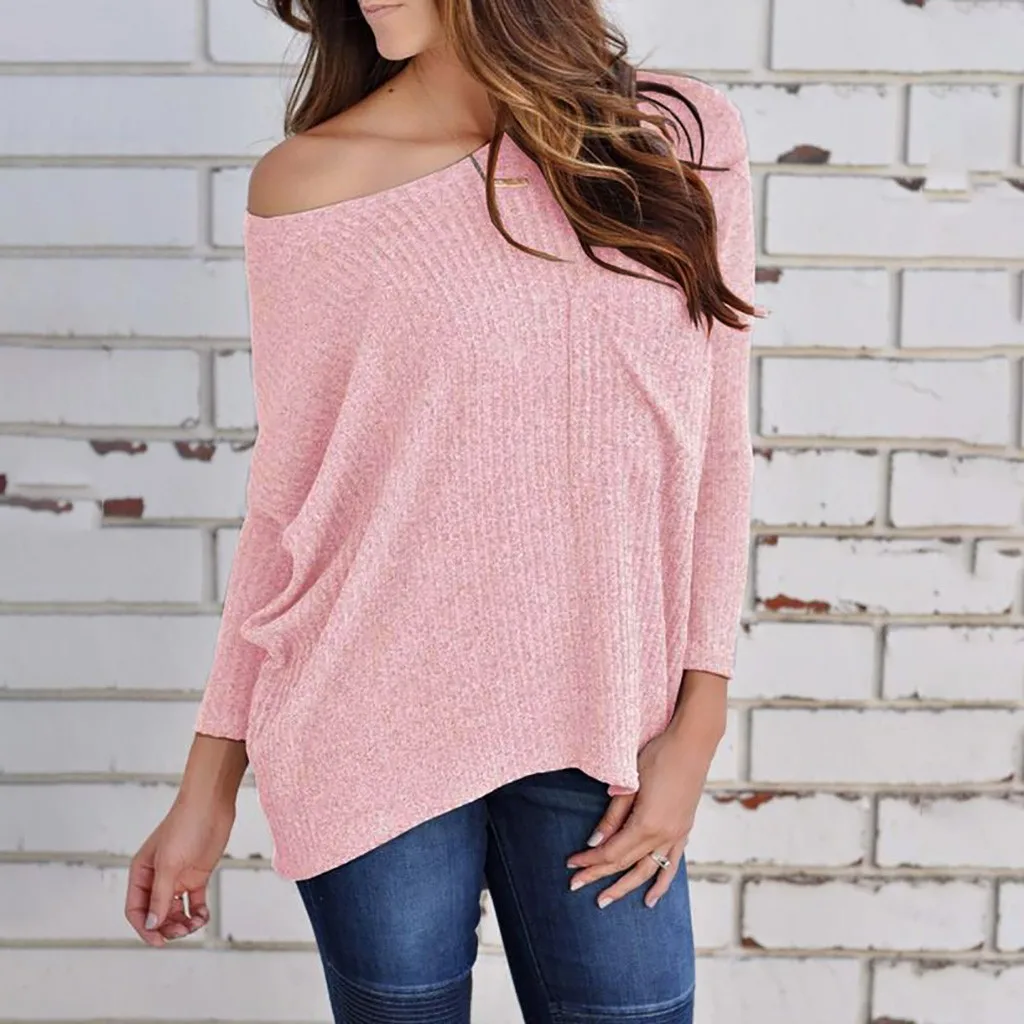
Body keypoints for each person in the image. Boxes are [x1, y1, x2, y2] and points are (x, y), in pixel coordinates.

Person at [124, 1, 756, 1020]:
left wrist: (700, 718)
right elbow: (290, 502)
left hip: (600, 719)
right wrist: (208, 787)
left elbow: (716, 444)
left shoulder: (673, 135)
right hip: (365, 717)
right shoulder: (309, 182)